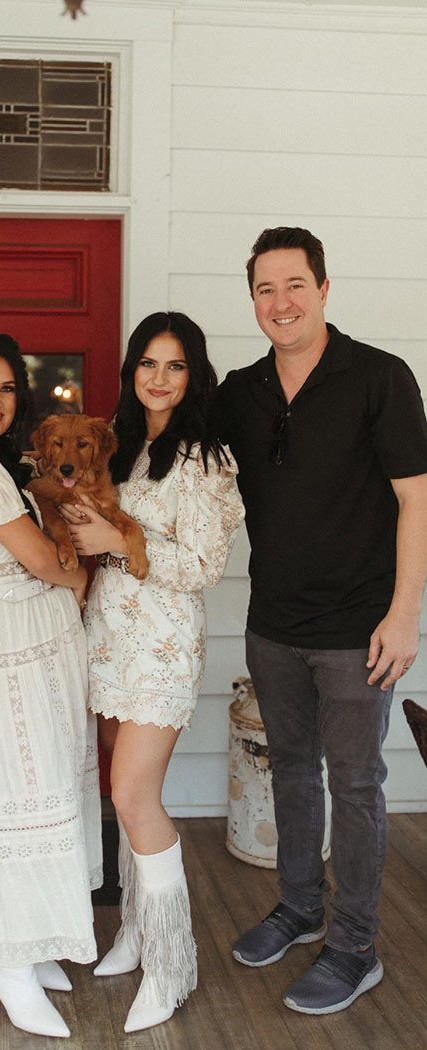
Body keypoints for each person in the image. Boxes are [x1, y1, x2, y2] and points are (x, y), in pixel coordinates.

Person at [215, 227, 427, 1015]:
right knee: (292, 771)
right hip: (272, 625)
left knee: (359, 785)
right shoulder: (241, 392)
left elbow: (417, 499)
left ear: (325, 288)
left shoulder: (378, 378)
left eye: (295, 284)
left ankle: (355, 948)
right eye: (266, 289)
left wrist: (405, 616)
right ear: (254, 299)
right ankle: (301, 909)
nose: (282, 302)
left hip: (358, 632)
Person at [62, 312, 244, 1032]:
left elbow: (204, 566)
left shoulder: (206, 458)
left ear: (193, 375)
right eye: (147, 363)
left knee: (134, 796)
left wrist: (113, 539)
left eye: (173, 366)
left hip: (160, 647)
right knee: (123, 795)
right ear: (132, 369)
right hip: (106, 640)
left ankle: (171, 965)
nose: (158, 378)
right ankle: (137, 931)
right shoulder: (124, 446)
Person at [0, 332, 102, 1040]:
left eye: (5, 388)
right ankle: (4, 961)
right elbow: (42, 560)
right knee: (14, 795)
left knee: (53, 789)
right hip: (10, 643)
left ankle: (36, 944)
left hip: (52, 644)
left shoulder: (15, 463)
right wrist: (81, 574)